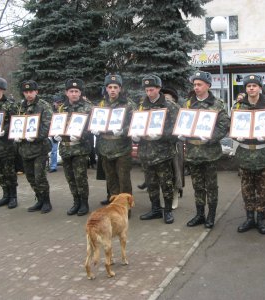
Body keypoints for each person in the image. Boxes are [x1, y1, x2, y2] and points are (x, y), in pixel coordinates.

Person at [232, 74, 265, 234]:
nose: (251, 88)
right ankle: (249, 219)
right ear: (245, 89)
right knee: (247, 189)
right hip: (245, 153)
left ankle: (260, 219)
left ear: (260, 88)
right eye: (248, 86)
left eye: (254, 86)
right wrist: (235, 135)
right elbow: (231, 125)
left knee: (263, 190)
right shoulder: (239, 107)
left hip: (263, 153)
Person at [182, 71, 230, 228]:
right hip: (192, 152)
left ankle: (211, 215)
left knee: (211, 186)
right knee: (197, 186)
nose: (196, 87)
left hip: (209, 153)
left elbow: (224, 126)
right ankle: (200, 214)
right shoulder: (188, 104)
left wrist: (210, 137)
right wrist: (181, 133)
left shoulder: (217, 104)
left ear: (208, 86)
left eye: (199, 84)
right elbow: (182, 122)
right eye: (194, 84)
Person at [134, 75, 179, 224]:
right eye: (146, 90)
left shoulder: (170, 106)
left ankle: (168, 211)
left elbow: (177, 129)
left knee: (166, 183)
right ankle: (155, 209)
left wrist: (160, 135)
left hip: (163, 153)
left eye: (151, 89)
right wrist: (134, 133)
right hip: (146, 152)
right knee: (151, 183)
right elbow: (134, 122)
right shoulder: (141, 106)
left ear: (159, 89)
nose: (149, 92)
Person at [93, 74, 136, 208]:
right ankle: (114, 203)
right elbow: (95, 121)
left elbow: (136, 123)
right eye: (110, 87)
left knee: (124, 179)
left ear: (120, 88)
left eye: (115, 87)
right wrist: (95, 128)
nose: (112, 90)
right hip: (105, 148)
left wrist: (123, 130)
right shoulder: (101, 105)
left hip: (122, 148)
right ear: (106, 89)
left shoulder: (129, 104)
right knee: (110, 178)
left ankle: (126, 206)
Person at [55, 78, 93, 216]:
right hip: (65, 148)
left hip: (80, 149)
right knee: (70, 177)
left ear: (80, 93)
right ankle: (76, 201)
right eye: (71, 91)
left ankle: (84, 203)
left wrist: (81, 135)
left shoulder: (88, 107)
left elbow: (92, 127)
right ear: (66, 92)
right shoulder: (61, 108)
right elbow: (57, 124)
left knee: (80, 177)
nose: (74, 94)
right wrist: (56, 134)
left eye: (77, 91)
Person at [16, 80, 53, 213]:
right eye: (26, 92)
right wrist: (16, 134)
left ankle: (46, 202)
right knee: (30, 177)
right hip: (25, 149)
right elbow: (17, 123)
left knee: (39, 177)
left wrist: (36, 136)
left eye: (31, 91)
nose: (29, 94)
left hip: (39, 149)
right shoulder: (20, 106)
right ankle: (39, 200)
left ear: (36, 91)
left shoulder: (44, 106)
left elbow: (47, 126)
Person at [0, 77, 18, 209]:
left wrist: (4, 130)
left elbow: (15, 122)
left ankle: (13, 196)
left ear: (2, 89)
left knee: (9, 172)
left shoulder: (9, 104)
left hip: (5, 144)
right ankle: (5, 195)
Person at [162, 86, 184, 209]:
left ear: (174, 100)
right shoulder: (158, 110)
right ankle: (166, 196)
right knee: (164, 173)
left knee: (175, 170)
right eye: (164, 98)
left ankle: (175, 193)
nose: (167, 101)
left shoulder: (178, 110)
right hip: (162, 146)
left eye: (169, 99)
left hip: (175, 145)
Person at [49, 95, 64, 173]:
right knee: (54, 150)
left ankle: (65, 163)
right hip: (54, 132)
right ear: (54, 103)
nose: (59, 104)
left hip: (63, 132)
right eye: (58, 102)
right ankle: (53, 166)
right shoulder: (51, 111)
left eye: (60, 102)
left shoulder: (64, 109)